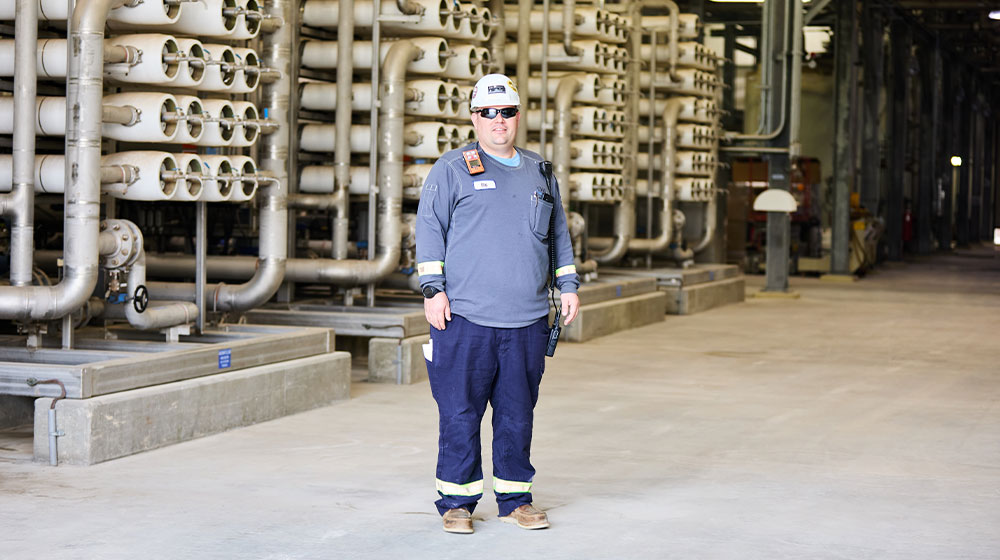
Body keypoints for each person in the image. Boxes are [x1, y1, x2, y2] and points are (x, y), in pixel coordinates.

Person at [415, 73, 581, 534]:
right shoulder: (451, 169)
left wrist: (568, 286)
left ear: (517, 116)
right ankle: (457, 503)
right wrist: (433, 289)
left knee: (516, 412)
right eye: (488, 113)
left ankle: (515, 499)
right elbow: (429, 230)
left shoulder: (541, 171)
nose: (498, 121)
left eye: (506, 112)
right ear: (474, 117)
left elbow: (559, 237)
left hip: (526, 319)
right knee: (460, 411)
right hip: (464, 317)